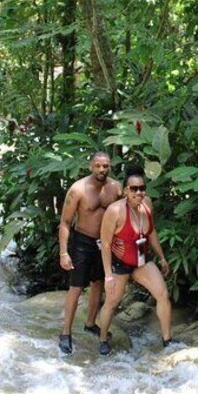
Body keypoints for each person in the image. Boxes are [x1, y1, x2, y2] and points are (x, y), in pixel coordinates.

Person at [98, 166, 173, 355]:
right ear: (125, 190)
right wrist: (108, 276)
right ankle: (103, 338)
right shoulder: (114, 211)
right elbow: (105, 244)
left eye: (141, 188)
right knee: (112, 303)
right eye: (133, 189)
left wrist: (162, 258)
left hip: (142, 260)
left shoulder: (147, 203)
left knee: (162, 294)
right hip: (119, 263)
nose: (138, 192)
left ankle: (167, 340)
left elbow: (152, 232)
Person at [58, 152, 122, 354]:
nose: (102, 170)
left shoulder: (116, 188)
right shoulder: (78, 189)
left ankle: (90, 323)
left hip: (105, 243)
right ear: (90, 166)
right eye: (98, 166)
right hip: (82, 242)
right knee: (76, 287)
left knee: (98, 284)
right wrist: (63, 252)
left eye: (105, 166)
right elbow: (65, 223)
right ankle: (66, 333)